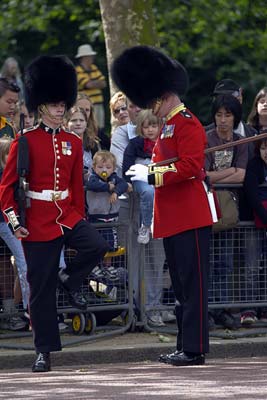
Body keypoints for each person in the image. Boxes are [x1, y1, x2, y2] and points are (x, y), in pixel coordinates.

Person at [0, 55, 109, 372]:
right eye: (55, 104)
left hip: (67, 216)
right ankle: (43, 351)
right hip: (36, 221)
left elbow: (76, 188)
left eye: (63, 103)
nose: (61, 109)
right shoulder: (25, 140)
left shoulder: (73, 142)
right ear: (42, 106)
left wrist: (77, 217)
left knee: (97, 246)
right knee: (41, 288)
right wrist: (16, 221)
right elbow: (6, 189)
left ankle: (71, 280)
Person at [112, 45, 213, 366]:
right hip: (172, 217)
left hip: (190, 216)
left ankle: (194, 348)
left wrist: (151, 172)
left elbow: (191, 167)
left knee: (192, 286)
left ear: (164, 95)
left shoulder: (186, 122)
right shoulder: (170, 125)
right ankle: (185, 345)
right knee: (182, 287)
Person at [205, 94, 248, 329]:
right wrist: (229, 170)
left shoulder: (241, 141)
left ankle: (220, 309)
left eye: (228, 115)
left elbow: (241, 176)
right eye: (219, 115)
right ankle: (208, 310)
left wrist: (222, 174)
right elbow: (204, 174)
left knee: (225, 263)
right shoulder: (205, 138)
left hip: (230, 210)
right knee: (208, 261)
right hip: (207, 206)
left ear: (235, 118)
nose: (223, 120)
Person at [0, 137, 29, 330]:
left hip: (16, 222)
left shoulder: (18, 174)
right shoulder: (4, 176)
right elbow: (5, 206)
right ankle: (29, 310)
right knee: (25, 263)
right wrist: (15, 225)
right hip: (7, 223)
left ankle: (29, 309)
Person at [86, 150, 128, 279]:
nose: (104, 170)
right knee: (95, 244)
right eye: (100, 167)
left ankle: (107, 266)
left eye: (108, 167)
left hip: (111, 219)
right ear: (94, 167)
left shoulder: (115, 178)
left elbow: (124, 184)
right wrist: (107, 187)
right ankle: (94, 266)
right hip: (95, 219)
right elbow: (92, 185)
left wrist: (115, 192)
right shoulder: (92, 178)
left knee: (110, 244)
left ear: (114, 168)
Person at [122, 109, 162, 244]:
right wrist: (127, 182)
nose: (150, 130)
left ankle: (161, 224)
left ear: (160, 126)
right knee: (148, 191)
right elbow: (127, 162)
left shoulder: (165, 142)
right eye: (146, 127)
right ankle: (145, 225)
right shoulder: (135, 143)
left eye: (153, 126)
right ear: (141, 128)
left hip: (159, 175)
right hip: (140, 177)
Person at [242, 139, 267, 324]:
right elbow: (251, 193)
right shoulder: (254, 164)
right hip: (254, 221)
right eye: (264, 147)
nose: (266, 151)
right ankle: (249, 309)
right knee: (251, 267)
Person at [75, 44, 106, 129]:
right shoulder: (77, 70)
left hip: (99, 103)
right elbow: (88, 85)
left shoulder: (94, 67)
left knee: (100, 127)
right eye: (90, 56)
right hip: (86, 106)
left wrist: (92, 83)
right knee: (89, 127)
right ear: (85, 57)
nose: (92, 58)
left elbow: (103, 83)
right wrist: (96, 83)